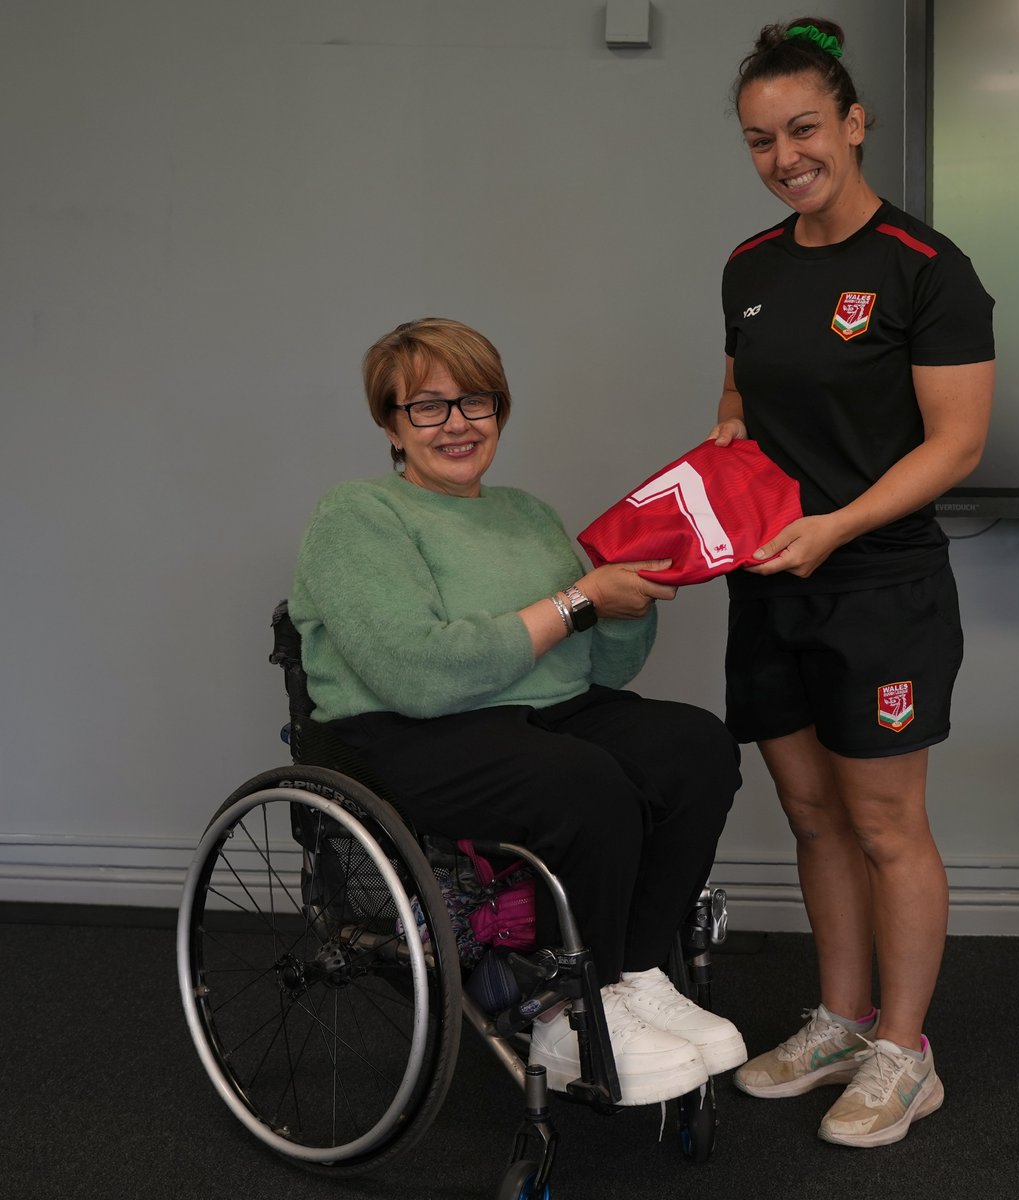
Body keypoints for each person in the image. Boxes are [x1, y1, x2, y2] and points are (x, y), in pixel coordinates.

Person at [289, 316, 747, 1107]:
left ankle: (633, 975)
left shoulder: (528, 514)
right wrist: (577, 600)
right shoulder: (357, 514)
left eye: (477, 402)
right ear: (391, 425)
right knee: (584, 782)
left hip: (541, 713)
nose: (457, 423)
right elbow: (418, 674)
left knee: (695, 746)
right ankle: (574, 1011)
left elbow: (605, 665)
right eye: (427, 407)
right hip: (410, 728)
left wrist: (626, 605)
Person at [711, 19, 995, 1147]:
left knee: (887, 826)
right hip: (772, 580)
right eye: (761, 139)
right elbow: (742, 402)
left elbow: (956, 445)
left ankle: (903, 1053)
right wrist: (724, 454)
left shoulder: (927, 269)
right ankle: (839, 1018)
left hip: (878, 585)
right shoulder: (748, 267)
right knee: (811, 811)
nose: (785, 156)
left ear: (854, 121)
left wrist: (835, 526)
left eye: (805, 129)